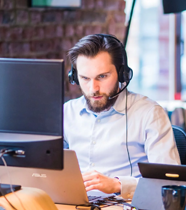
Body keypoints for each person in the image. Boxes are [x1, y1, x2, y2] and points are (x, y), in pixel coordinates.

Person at [64, 34, 180, 199]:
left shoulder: (149, 113)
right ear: (74, 77)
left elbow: (169, 182)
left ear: (122, 74)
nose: (93, 88)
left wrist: (118, 185)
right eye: (85, 78)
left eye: (102, 77)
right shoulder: (67, 113)